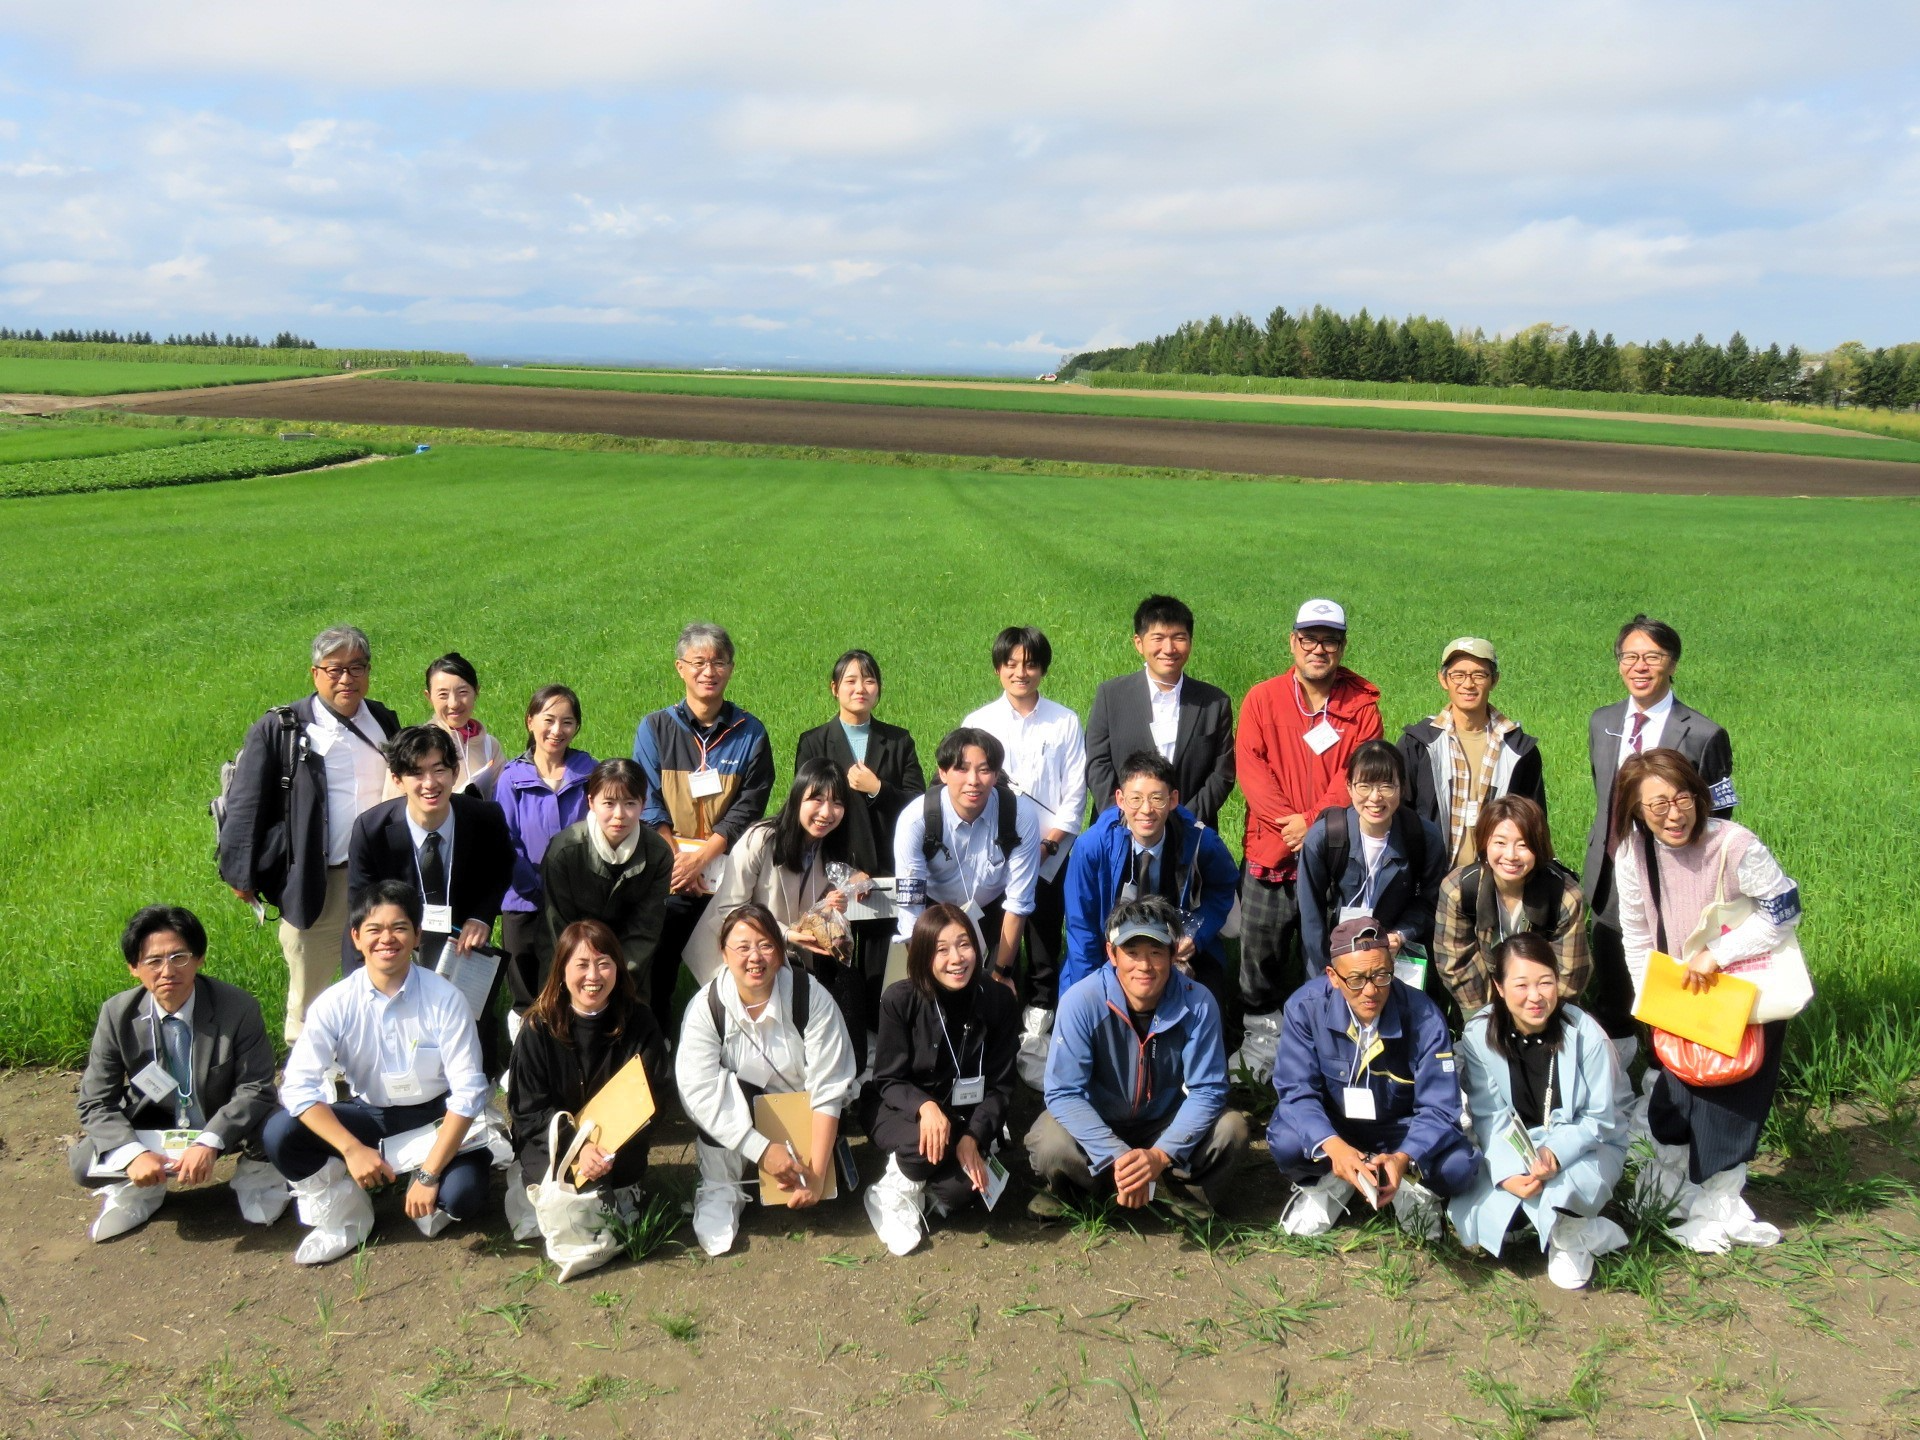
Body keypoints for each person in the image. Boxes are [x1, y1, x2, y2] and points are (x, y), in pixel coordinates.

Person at [1612, 748, 1796, 1252]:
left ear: (1699, 795)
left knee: (1729, 1103)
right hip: (1678, 999)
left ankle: (1718, 1199)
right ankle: (1674, 1189)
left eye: (1683, 799)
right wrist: (1650, 999)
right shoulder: (1633, 853)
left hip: (1739, 1001)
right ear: (1635, 811)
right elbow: (1634, 931)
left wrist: (1720, 952)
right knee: (1678, 1098)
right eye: (1656, 806)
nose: (1674, 815)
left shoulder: (1734, 845)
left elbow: (1784, 909)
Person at [263, 881, 495, 1264]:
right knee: (280, 1132)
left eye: (400, 927)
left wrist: (428, 1175)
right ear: (355, 938)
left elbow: (468, 1094)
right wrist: (352, 1149)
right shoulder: (334, 1004)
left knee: (464, 1196)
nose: (387, 939)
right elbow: (298, 1087)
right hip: (370, 1116)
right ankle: (348, 1211)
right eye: (374, 929)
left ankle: (421, 1180)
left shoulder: (446, 999)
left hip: (437, 1116)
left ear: (418, 936)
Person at [218, 624, 400, 1041]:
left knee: (377, 979)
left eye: (357, 667)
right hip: (317, 878)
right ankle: (307, 1082)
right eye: (334, 669)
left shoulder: (384, 720)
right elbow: (246, 807)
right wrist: (240, 876)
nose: (346, 679)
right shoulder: (282, 728)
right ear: (314, 673)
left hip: (375, 877)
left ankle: (363, 1067)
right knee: (311, 989)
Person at [70, 906, 286, 1242]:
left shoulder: (238, 1007)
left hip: (221, 1121)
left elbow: (256, 1089)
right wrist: (133, 1154)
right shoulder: (117, 1014)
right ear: (133, 968)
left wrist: (209, 1141)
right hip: (158, 1124)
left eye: (179, 956)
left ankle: (257, 1177)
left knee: (281, 1130)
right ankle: (141, 1187)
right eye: (153, 961)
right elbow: (95, 1102)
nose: (167, 970)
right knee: (84, 1161)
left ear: (199, 958)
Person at [1233, 598, 1383, 1080]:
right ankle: (1261, 1042)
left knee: (1329, 955)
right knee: (1261, 952)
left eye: (1330, 640)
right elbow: (1251, 769)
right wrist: (1288, 824)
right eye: (1310, 638)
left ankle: (1326, 1050)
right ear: (1293, 642)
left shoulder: (1361, 707)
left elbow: (1355, 776)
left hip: (1335, 854)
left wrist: (1313, 824)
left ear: (1342, 647)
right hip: (1271, 850)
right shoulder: (1262, 698)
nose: (1319, 649)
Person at [1025, 898, 1246, 1223]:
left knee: (1233, 1130)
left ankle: (1176, 1188)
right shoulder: (1081, 1001)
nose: (1144, 966)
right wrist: (1117, 1155)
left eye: (1156, 952)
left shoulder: (1198, 1003)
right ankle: (1077, 1189)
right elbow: (1064, 1093)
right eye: (1132, 953)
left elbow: (1208, 1091)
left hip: (1164, 1123)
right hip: (1098, 1121)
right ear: (1112, 954)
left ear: (1173, 954)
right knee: (1048, 1143)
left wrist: (1160, 1154)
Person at [1268, 916, 1479, 1239]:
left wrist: (1404, 1156)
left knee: (1459, 1167)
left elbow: (1439, 1107)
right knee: (1287, 1140)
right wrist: (1335, 1147)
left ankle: (1411, 1187)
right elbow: (1296, 1090)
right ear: (1333, 977)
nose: (1370, 991)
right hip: (1336, 1125)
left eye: (1381, 975)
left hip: (1400, 1130)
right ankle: (1331, 1183)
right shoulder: (1305, 1008)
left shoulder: (1424, 1016)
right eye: (1356, 979)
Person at [1583, 615, 1734, 1058]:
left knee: (1669, 984)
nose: (1640, 666)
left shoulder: (1704, 734)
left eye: (1653, 656)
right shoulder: (1602, 721)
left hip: (1675, 881)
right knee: (1612, 982)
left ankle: (1667, 1075)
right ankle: (1614, 1076)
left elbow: (1719, 816)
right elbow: (1605, 793)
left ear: (1672, 663)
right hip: (1611, 874)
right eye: (1630, 657)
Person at [1450, 934, 1632, 1289]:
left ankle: (1575, 1237)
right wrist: (1506, 1172)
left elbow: (1598, 1119)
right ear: (1499, 988)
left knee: (1563, 1193)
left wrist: (1554, 1153)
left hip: (1585, 1149)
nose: (1536, 996)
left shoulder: (1585, 1034)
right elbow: (1489, 1115)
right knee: (1487, 1218)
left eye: (1546, 982)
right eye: (1521, 985)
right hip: (1514, 1146)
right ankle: (1557, 1224)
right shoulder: (1479, 1035)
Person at [674, 903, 857, 1256]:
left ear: (780, 950)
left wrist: (817, 1172)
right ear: (724, 953)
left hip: (802, 1113)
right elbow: (698, 1091)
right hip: (739, 1117)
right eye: (742, 947)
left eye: (766, 945)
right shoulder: (706, 1008)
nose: (754, 957)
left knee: (824, 1188)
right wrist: (761, 1150)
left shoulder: (810, 995)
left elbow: (831, 1083)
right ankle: (721, 1187)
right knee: (722, 1094)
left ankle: (812, 1167)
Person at [963, 627, 1088, 1093]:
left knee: (1042, 950)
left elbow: (1076, 790)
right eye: (1011, 664)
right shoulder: (978, 722)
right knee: (998, 946)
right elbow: (968, 789)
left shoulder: (1064, 721)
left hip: (1050, 858)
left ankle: (1036, 1039)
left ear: (1042, 668)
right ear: (998, 668)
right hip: (993, 859)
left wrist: (1049, 843)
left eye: (1030, 663)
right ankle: (996, 1036)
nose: (1020, 672)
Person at [632, 622, 776, 1021]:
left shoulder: (750, 732)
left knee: (728, 969)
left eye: (718, 662)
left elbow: (750, 805)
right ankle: (658, 1045)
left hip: (729, 873)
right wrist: (680, 861)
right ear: (680, 668)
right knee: (658, 968)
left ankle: (730, 1046)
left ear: (730, 668)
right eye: (698, 662)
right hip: (669, 871)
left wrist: (704, 857)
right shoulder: (655, 728)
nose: (708, 671)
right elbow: (647, 798)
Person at [686, 759, 868, 1067]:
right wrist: (784, 934)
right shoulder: (761, 839)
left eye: (837, 803)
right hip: (741, 949)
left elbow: (817, 911)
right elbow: (730, 909)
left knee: (848, 979)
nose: (826, 812)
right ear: (797, 797)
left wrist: (838, 901)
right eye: (817, 799)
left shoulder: (832, 852)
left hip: (795, 954)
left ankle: (850, 1076)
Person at [862, 904, 1020, 1255]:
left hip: (963, 1117)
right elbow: (888, 1079)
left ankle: (923, 1181)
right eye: (941, 949)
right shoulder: (899, 999)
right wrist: (926, 1106)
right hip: (898, 1110)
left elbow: (1001, 1085)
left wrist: (973, 1136)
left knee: (961, 1192)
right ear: (922, 955)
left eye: (964, 945)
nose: (956, 958)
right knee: (924, 1142)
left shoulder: (997, 1000)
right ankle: (891, 1194)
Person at [1060, 750, 1240, 1025]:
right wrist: (1092, 993)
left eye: (1157, 798)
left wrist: (1197, 935)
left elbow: (1224, 885)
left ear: (1173, 800)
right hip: (1110, 951)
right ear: (1120, 799)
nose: (1146, 810)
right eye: (1135, 798)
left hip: (1176, 948)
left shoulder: (1200, 840)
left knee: (1207, 1014)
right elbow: (1080, 925)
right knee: (1086, 1018)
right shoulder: (1091, 847)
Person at [794, 649, 926, 1022]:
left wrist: (878, 788)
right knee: (838, 969)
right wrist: (842, 870)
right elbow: (808, 812)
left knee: (885, 967)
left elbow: (918, 806)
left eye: (869, 680)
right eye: (850, 681)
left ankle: (882, 1035)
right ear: (834, 688)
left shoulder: (898, 741)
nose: (860, 688)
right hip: (835, 873)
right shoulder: (814, 742)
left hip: (888, 873)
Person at [509, 919, 669, 1215]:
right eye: (581, 964)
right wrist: (578, 1147)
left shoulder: (640, 1022)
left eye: (603, 963)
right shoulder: (537, 1029)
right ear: (561, 971)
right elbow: (528, 1110)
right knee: (570, 1191)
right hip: (552, 1144)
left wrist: (607, 1146)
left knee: (607, 1187)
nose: (593, 976)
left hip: (617, 1145)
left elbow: (652, 1093)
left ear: (618, 969)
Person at [891, 728, 1044, 996]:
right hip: (934, 910)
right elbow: (910, 909)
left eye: (984, 770)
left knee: (999, 998)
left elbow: (1019, 903)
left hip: (995, 910)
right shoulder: (915, 821)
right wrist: (925, 978)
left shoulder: (1020, 817)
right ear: (943, 772)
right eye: (961, 769)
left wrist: (1001, 973)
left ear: (996, 775)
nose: (973, 781)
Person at [1296, 740, 1446, 974]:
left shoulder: (1424, 837)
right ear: (1349, 787)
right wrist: (1327, 972)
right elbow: (1310, 915)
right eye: (1364, 786)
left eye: (1387, 786)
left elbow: (1431, 902)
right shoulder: (1324, 837)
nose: (1375, 798)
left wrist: (1401, 934)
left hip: (1396, 954)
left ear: (1402, 788)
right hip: (1336, 955)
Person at [1084, 595, 1236, 826]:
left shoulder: (1213, 702)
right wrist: (1129, 819)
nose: (1169, 648)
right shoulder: (1111, 695)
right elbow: (1097, 764)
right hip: (1121, 830)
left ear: (1190, 642)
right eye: (1158, 638)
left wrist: (1182, 821)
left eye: (1179, 638)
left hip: (1190, 834)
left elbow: (1222, 774)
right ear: (1139, 643)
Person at [1397, 637, 1547, 870]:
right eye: (1458, 675)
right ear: (1443, 679)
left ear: (1494, 680)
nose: (1468, 684)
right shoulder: (1418, 744)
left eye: (1479, 675)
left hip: (1497, 881)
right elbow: (1400, 815)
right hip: (1430, 882)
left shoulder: (1519, 750)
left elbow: (1534, 823)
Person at [1432, 795, 1590, 1016]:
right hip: (1484, 1003)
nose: (1511, 855)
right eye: (1500, 842)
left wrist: (1536, 1018)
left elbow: (1570, 973)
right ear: (1485, 842)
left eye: (1523, 845)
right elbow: (1457, 963)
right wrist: (1488, 1019)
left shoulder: (1565, 896)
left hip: (1544, 1004)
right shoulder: (1458, 890)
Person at [495, 685, 596, 1026]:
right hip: (522, 899)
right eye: (548, 719)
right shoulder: (511, 778)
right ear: (530, 721)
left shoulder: (588, 772)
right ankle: (524, 1058)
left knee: (573, 976)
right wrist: (535, 885)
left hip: (576, 896)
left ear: (577, 728)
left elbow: (599, 829)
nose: (557, 730)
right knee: (525, 985)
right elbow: (505, 839)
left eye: (567, 722)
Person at [536, 759, 676, 996]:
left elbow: (645, 929)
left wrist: (615, 979)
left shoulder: (658, 854)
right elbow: (556, 927)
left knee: (629, 1021)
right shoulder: (564, 850)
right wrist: (584, 977)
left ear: (644, 804)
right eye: (608, 803)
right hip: (568, 968)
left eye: (630, 803)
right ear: (591, 802)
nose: (619, 815)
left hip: (628, 972)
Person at [419, 652, 507, 800]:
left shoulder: (490, 746)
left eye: (463, 692)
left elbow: (506, 798)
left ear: (476, 691)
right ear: (429, 697)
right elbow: (394, 807)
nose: (454, 703)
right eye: (443, 695)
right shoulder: (415, 745)